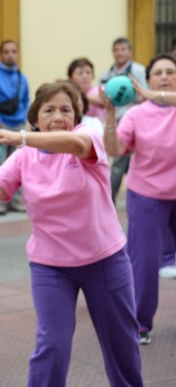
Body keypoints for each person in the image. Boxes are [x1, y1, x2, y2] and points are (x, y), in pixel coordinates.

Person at [0, 82, 142, 386]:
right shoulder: (24, 158)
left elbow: (75, 144)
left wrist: (22, 137)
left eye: (66, 110)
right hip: (51, 267)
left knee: (122, 343)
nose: (58, 115)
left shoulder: (87, 138)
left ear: (75, 117)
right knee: (52, 344)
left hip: (104, 260)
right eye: (49, 110)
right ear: (36, 118)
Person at [103, 53, 176, 345]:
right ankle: (141, 324)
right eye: (157, 72)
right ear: (148, 79)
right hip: (147, 196)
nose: (164, 76)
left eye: (170, 71)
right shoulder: (136, 114)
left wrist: (152, 95)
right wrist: (110, 114)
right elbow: (116, 148)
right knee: (143, 263)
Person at [99, 37, 146, 204]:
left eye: (123, 49)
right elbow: (102, 97)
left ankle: (108, 199)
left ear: (130, 51)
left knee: (119, 163)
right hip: (112, 121)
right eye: (116, 50)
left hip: (133, 121)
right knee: (119, 161)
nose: (119, 53)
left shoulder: (139, 71)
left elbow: (144, 95)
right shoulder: (106, 73)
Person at [0, 40, 30, 214]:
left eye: (13, 51)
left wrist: (24, 118)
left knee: (18, 164)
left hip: (18, 126)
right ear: (1, 55)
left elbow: (26, 100)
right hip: (0, 125)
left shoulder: (21, 77)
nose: (10, 55)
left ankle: (15, 199)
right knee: (0, 162)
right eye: (6, 52)